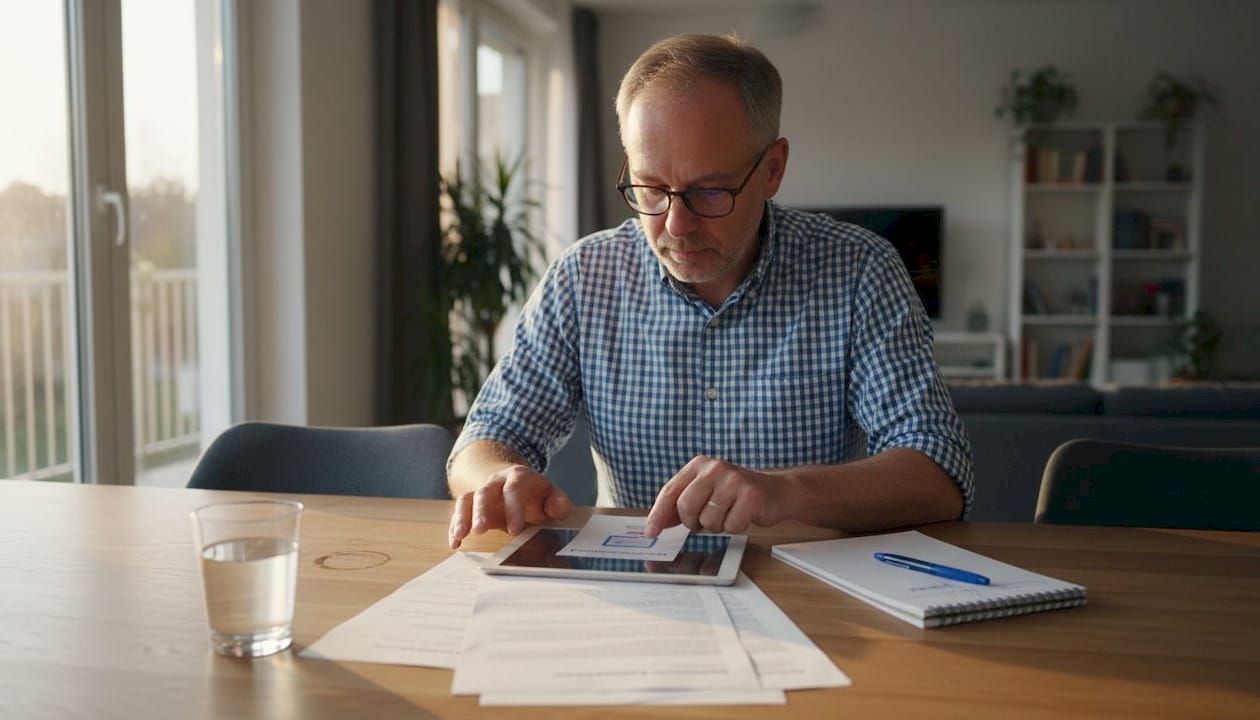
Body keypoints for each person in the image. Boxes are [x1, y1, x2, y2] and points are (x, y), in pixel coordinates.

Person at [447, 32, 972, 550]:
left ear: (772, 169)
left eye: (710, 190)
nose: (675, 225)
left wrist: (783, 491)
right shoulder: (585, 278)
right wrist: (499, 477)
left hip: (808, 592)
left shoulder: (859, 271)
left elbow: (937, 474)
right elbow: (484, 439)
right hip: (636, 590)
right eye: (651, 188)